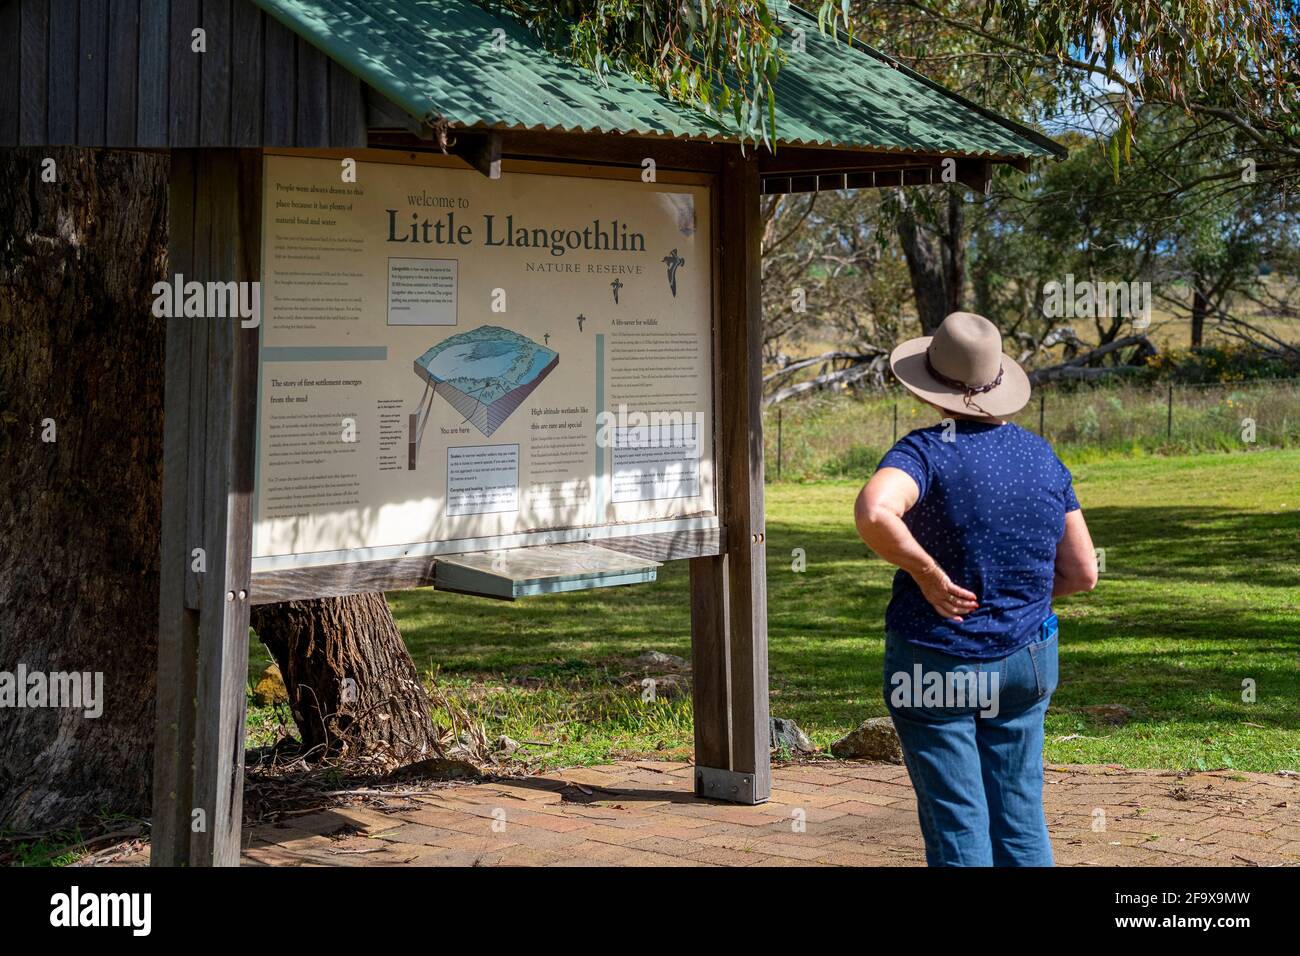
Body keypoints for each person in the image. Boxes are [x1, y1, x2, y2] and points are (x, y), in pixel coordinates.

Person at [854, 311, 1098, 867]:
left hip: (937, 662)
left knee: (958, 822)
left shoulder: (924, 452)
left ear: (932, 387)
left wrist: (928, 575)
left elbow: (874, 512)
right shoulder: (1042, 456)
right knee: (1020, 815)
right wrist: (1023, 596)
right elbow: (1084, 573)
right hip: (1027, 662)